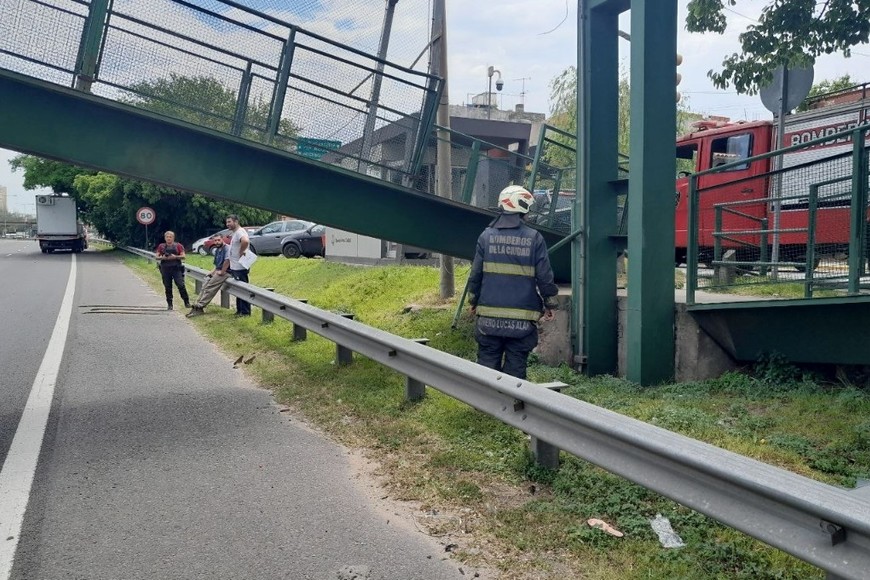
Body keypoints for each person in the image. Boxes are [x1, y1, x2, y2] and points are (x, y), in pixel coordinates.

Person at [467, 185, 559, 379]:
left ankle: (485, 404)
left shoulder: (486, 237)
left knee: (486, 365)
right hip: (522, 322)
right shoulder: (534, 238)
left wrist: (473, 302)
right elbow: (544, 276)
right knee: (515, 369)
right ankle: (510, 405)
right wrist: (550, 303)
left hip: (488, 320)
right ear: (523, 206)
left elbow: (475, 274)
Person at [186, 234, 229, 317]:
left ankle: (200, 306)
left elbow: (227, 260)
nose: (217, 242)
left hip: (227, 271)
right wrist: (211, 273)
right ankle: (196, 305)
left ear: (222, 239)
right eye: (215, 240)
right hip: (218, 270)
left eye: (218, 240)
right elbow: (217, 265)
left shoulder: (227, 248)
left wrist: (222, 271)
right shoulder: (217, 250)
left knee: (210, 286)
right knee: (205, 284)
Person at [156, 230, 191, 311]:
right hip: (165, 269)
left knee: (181, 285)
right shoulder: (161, 246)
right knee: (168, 287)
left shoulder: (178, 246)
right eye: (167, 237)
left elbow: (183, 256)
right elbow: (157, 256)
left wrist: (175, 257)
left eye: (170, 237)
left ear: (173, 238)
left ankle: (186, 302)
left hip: (176, 268)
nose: (169, 238)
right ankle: (170, 304)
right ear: (165, 238)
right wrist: (163, 257)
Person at [225, 214, 251, 317]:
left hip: (240, 266)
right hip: (235, 266)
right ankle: (239, 310)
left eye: (229, 222)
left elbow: (245, 241)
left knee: (242, 289)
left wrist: (242, 251)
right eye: (227, 222)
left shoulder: (240, 232)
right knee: (238, 289)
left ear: (236, 222)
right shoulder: (235, 233)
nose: (228, 224)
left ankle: (245, 312)